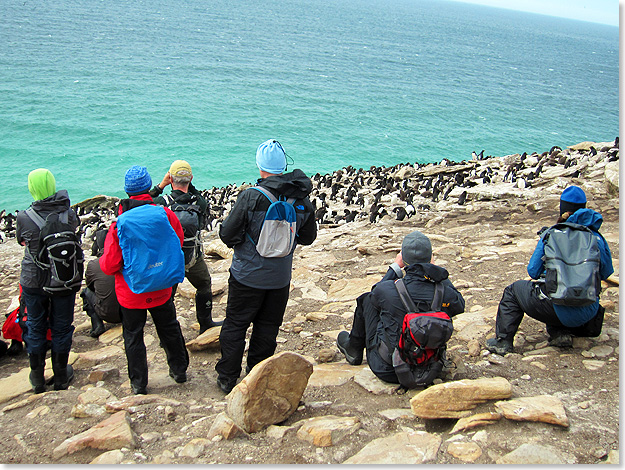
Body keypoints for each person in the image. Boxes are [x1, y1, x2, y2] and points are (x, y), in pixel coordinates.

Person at [216, 140, 317, 393]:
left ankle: (227, 377)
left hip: (246, 277)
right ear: (283, 165)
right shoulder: (301, 200)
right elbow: (308, 237)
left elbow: (228, 235)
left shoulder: (251, 196)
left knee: (236, 325)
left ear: (260, 167)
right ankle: (257, 376)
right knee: (268, 328)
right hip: (279, 279)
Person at [486, 186, 614, 355]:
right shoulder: (596, 237)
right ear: (584, 206)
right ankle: (561, 333)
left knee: (515, 291)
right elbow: (606, 273)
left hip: (557, 308)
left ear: (562, 208)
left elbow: (533, 271)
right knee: (558, 288)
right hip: (588, 310)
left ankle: (503, 341)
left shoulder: (552, 233)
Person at [100, 165, 189, 395]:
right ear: (148, 186)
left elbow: (109, 265)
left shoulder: (119, 224)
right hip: (161, 286)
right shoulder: (165, 214)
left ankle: (139, 384)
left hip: (132, 292)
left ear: (127, 191)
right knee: (169, 327)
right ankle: (179, 371)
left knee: (133, 335)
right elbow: (177, 241)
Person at [336, 231, 465, 384]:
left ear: (404, 258)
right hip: (431, 367)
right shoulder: (444, 293)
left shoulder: (388, 290)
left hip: (387, 368)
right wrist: (437, 272)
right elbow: (460, 304)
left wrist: (395, 268)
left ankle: (353, 348)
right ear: (430, 258)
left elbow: (375, 294)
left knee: (367, 300)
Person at [16, 169, 79, 393]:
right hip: (63, 277)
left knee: (35, 325)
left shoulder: (24, 216)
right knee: (62, 326)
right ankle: (61, 375)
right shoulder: (68, 214)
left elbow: (22, 241)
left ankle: (37, 376)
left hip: (33, 280)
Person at [151, 160, 222, 334]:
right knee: (204, 284)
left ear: (170, 178)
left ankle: (168, 333)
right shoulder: (199, 203)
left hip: (169, 260)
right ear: (190, 179)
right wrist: (189, 183)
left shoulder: (161, 202)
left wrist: (161, 185)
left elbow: (143, 201)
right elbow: (202, 201)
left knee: (168, 295)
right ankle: (205, 323)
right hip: (192, 258)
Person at [80, 229, 121, 338]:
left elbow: (90, 286)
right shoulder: (125, 257)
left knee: (85, 292)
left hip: (107, 312)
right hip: (129, 309)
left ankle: (97, 324)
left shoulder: (94, 264)